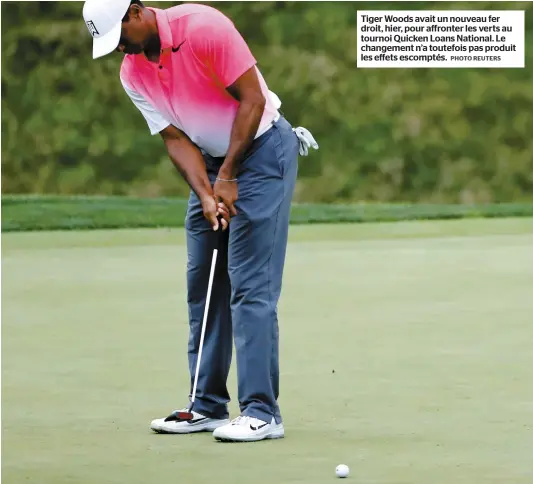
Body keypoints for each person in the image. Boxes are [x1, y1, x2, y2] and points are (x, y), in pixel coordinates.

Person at [82, 0, 318, 442]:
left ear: (136, 11)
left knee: (250, 285)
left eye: (120, 36)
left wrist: (228, 175)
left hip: (264, 152)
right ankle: (206, 405)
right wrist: (207, 193)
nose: (120, 50)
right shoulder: (132, 71)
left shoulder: (203, 27)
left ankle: (262, 413)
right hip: (211, 163)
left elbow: (253, 99)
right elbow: (173, 138)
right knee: (205, 282)